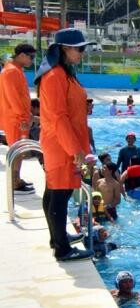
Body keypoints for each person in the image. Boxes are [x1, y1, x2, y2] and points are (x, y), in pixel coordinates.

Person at [35, 29, 95, 261]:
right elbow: (59, 117)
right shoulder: (55, 77)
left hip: (62, 143)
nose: (82, 52)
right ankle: (62, 248)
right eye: (79, 48)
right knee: (60, 194)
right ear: (64, 49)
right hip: (61, 145)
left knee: (55, 192)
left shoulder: (63, 73)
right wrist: (75, 150)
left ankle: (57, 237)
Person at [0, 43, 36, 193]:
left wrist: (27, 115)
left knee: (20, 151)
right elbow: (13, 98)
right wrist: (22, 119)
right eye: (31, 57)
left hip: (19, 117)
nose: (32, 61)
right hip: (15, 119)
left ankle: (17, 179)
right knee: (16, 151)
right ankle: (14, 182)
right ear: (22, 55)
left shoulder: (16, 70)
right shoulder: (10, 72)